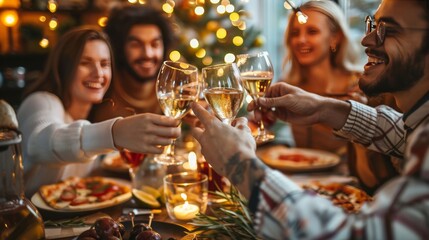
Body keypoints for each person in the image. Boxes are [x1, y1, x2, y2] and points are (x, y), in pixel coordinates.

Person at [190, 0, 429, 238]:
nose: (367, 40)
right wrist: (324, 108)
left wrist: (237, 162)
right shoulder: (420, 127)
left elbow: (355, 235)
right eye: (373, 26)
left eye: (389, 29)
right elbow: (401, 135)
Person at [18, 27, 181, 196]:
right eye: (85, 63)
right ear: (63, 67)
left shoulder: (94, 114)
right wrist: (114, 133)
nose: (98, 73)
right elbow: (40, 144)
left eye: (104, 64)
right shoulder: (40, 101)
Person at [281, 0, 364, 153]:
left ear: (335, 37)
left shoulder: (359, 85)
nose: (301, 40)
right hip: (300, 174)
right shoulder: (288, 85)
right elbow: (260, 124)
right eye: (295, 33)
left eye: (312, 31)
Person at [89, 5, 176, 121]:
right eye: (136, 44)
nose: (148, 54)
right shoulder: (101, 86)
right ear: (119, 48)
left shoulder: (175, 88)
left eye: (155, 44)